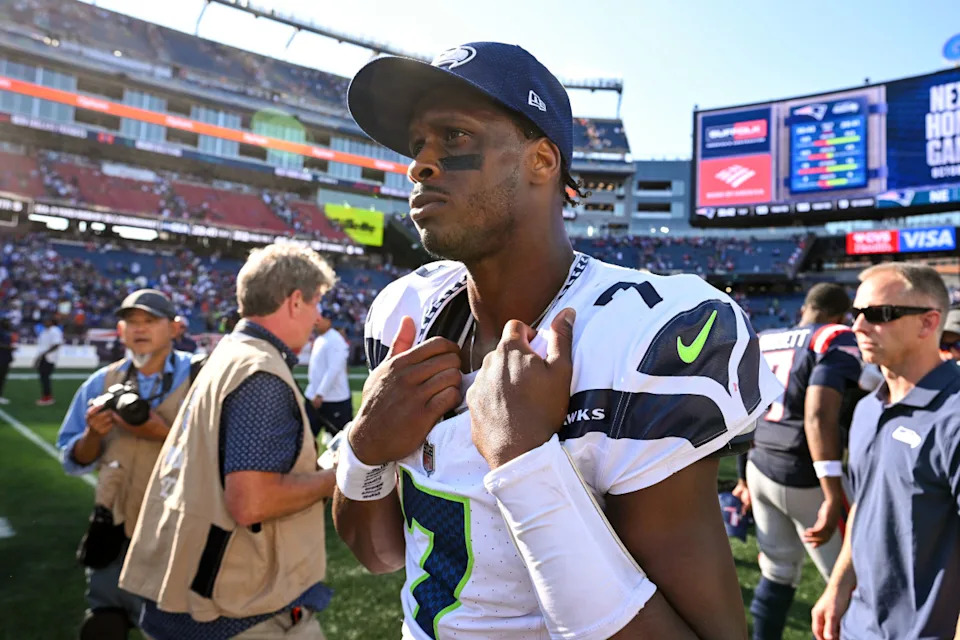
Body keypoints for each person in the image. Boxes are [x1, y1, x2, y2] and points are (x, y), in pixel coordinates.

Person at [334, 42, 783, 639]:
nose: (420, 164)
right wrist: (364, 448)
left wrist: (523, 462)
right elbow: (379, 554)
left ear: (542, 161)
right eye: (418, 144)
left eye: (456, 137)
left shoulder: (643, 331)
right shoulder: (404, 315)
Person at [119, 244, 337, 640]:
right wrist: (336, 477)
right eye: (315, 303)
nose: (317, 318)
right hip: (234, 611)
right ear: (294, 301)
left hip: (190, 585)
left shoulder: (230, 353)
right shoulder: (261, 372)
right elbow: (252, 502)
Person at [812, 263, 960, 640]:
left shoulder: (953, 415)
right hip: (858, 626)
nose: (858, 327)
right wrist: (839, 585)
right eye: (856, 314)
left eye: (879, 314)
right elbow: (865, 501)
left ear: (928, 323)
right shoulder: (867, 407)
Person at [55, 289, 195, 639]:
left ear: (175, 327)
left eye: (150, 320)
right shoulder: (99, 383)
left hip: (177, 526)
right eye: (131, 321)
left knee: (173, 625)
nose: (139, 329)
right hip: (112, 525)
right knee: (104, 622)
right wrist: (91, 435)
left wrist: (159, 432)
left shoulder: (201, 377)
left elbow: (222, 452)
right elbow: (74, 460)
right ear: (120, 330)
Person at [735, 283, 863, 640]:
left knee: (777, 570)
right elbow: (818, 416)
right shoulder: (832, 337)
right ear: (841, 316)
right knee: (851, 586)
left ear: (806, 306)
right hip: (806, 475)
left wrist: (744, 476)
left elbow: (746, 411)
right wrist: (832, 491)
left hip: (760, 465)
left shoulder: (765, 337)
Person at [305, 310, 352, 437]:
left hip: (334, 400)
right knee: (305, 439)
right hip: (315, 397)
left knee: (341, 442)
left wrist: (320, 393)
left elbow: (333, 369)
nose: (316, 322)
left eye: (320, 319)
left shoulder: (335, 340)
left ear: (328, 321)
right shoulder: (321, 338)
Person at [35, 313, 63, 406]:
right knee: (43, 378)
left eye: (46, 320)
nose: (44, 322)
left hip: (49, 358)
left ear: (51, 322)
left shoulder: (54, 330)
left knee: (45, 378)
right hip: (44, 357)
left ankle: (47, 397)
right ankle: (46, 396)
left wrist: (45, 353)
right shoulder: (45, 331)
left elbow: (57, 344)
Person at [0, 315, 14, 404]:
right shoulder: (1, 332)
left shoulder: (7, 332)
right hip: (1, 358)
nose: (9, 323)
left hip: (5, 358)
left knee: (2, 378)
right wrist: (8, 347)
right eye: (7, 322)